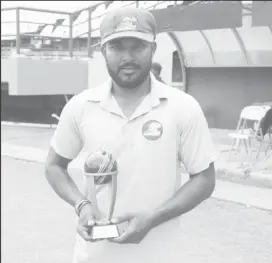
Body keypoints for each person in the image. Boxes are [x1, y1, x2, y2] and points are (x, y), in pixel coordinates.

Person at [45, 7, 216, 263]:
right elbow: (54, 166)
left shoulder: (183, 107)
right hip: (94, 255)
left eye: (137, 46)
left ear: (153, 49)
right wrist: (81, 205)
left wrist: (153, 219)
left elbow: (204, 178)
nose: (127, 57)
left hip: (160, 255)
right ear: (103, 51)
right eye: (116, 47)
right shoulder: (81, 106)